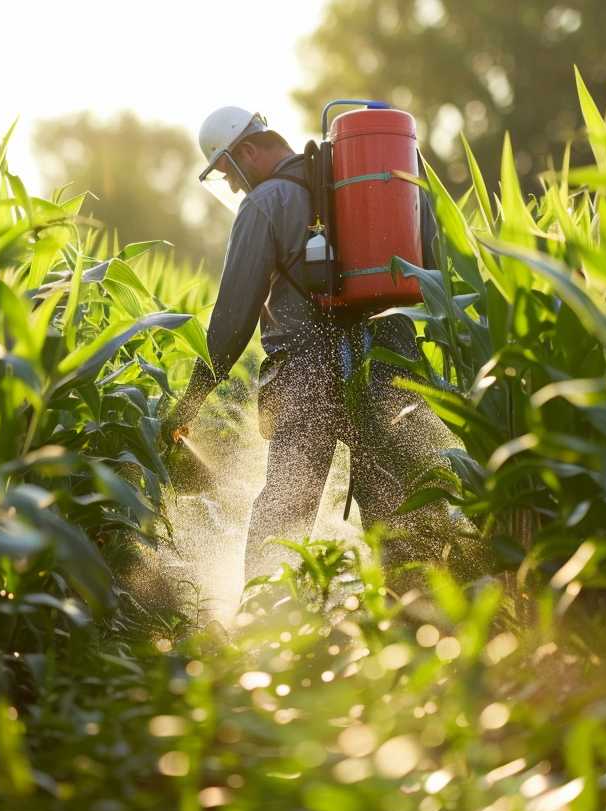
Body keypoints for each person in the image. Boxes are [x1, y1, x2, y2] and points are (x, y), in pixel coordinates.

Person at [160, 106, 478, 592]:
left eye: (228, 173)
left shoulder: (265, 203)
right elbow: (436, 274)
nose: (232, 187)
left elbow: (232, 319)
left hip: (305, 369)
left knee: (288, 502)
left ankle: (268, 610)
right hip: (388, 356)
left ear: (246, 151)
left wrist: (194, 396)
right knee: (400, 495)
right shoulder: (371, 180)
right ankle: (417, 609)